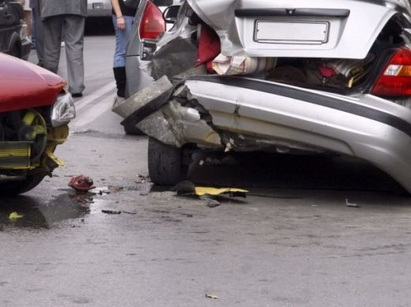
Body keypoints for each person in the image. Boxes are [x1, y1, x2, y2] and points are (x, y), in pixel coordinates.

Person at [40, 0, 87, 98]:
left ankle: (50, 84)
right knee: (75, 45)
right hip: (76, 6)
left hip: (50, 6)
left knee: (51, 46)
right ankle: (76, 86)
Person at [110, 0, 138, 104]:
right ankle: (121, 93)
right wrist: (119, 16)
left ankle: (131, 89)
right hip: (125, 15)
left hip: (141, 14)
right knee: (122, 51)